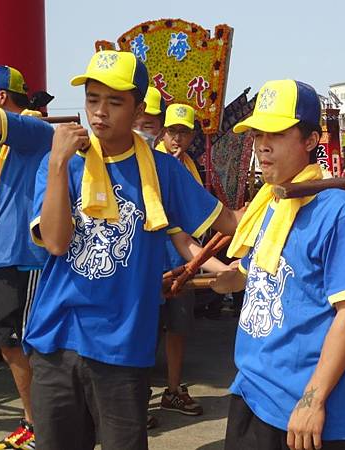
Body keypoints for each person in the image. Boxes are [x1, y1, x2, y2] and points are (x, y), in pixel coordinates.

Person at [22, 50, 239, 450]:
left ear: (139, 108)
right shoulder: (63, 165)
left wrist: (284, 205)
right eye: (92, 99)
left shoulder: (163, 171)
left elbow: (227, 223)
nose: (99, 112)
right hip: (56, 340)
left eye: (115, 101)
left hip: (121, 346)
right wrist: (55, 164)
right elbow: (55, 242)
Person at [212, 79, 345, 450]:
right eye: (257, 135)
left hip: (305, 411)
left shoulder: (337, 212)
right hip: (251, 390)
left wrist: (313, 400)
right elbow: (258, 273)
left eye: (278, 133)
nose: (262, 145)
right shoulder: (270, 203)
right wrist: (225, 279)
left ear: (311, 140)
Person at [0, 65, 53, 450]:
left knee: (26, 343)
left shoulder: (32, 129)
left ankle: (42, 426)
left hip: (25, 257)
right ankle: (36, 422)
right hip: (4, 258)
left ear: (1, 98)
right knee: (9, 342)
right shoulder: (4, 145)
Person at [156, 103, 219, 416]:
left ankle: (173, 389)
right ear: (163, 132)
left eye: (184, 131)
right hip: (154, 264)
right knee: (145, 332)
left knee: (178, 329)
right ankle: (135, 398)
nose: (178, 138)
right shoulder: (151, 162)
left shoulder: (190, 164)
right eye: (173, 131)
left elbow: (193, 223)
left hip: (184, 260)